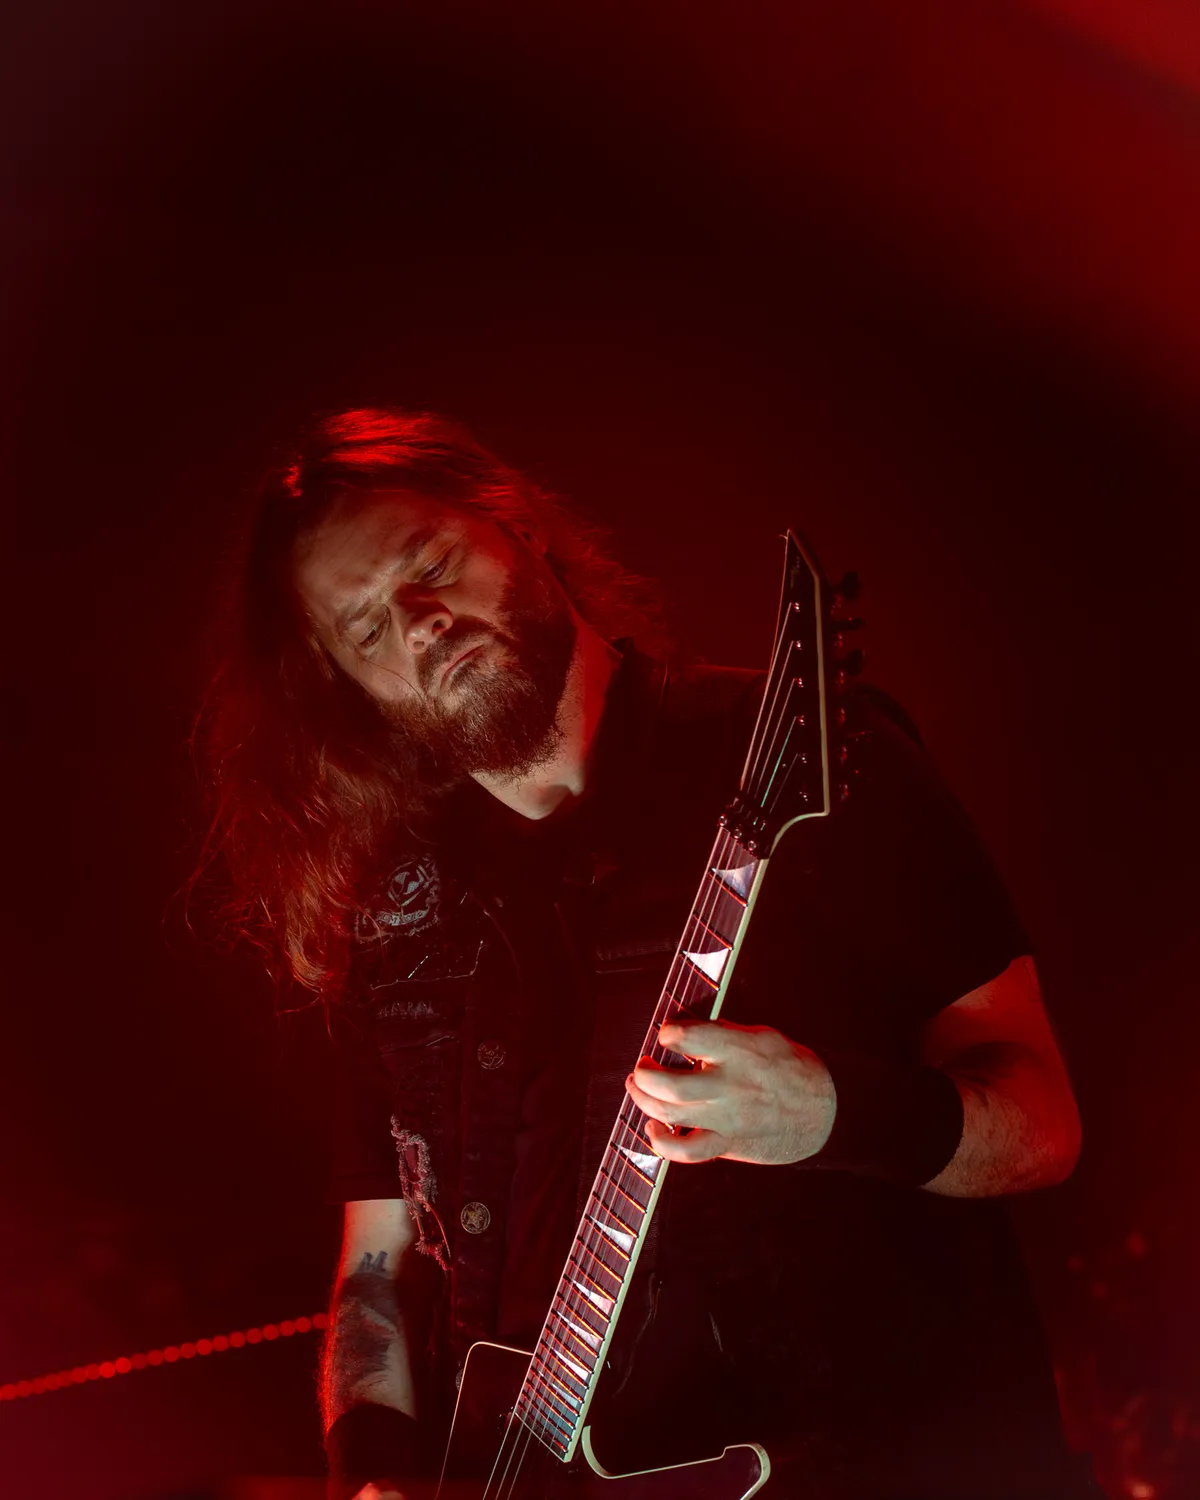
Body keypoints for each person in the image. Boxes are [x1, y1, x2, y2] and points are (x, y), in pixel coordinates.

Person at [197, 407, 1093, 1500]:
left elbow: (1041, 1122)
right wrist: (371, 1474)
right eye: (368, 629)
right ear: (350, 686)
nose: (420, 623)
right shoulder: (394, 917)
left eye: (428, 564)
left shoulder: (800, 759)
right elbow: (376, 1271)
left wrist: (828, 1114)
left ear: (517, 526)